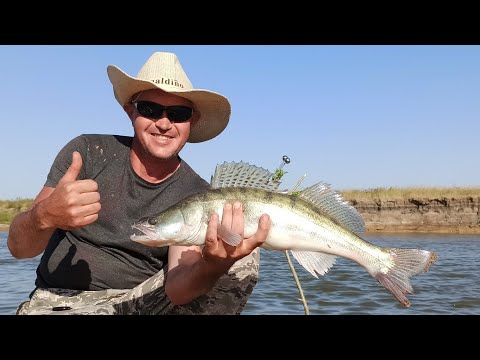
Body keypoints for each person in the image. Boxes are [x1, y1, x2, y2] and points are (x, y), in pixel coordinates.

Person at [7, 51, 271, 315]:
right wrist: (43, 216)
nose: (165, 123)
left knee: (240, 252)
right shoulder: (87, 152)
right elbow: (19, 249)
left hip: (144, 303)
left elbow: (178, 290)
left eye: (179, 113)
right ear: (130, 111)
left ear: (192, 121)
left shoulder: (197, 194)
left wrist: (212, 265)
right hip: (62, 302)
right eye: (150, 109)